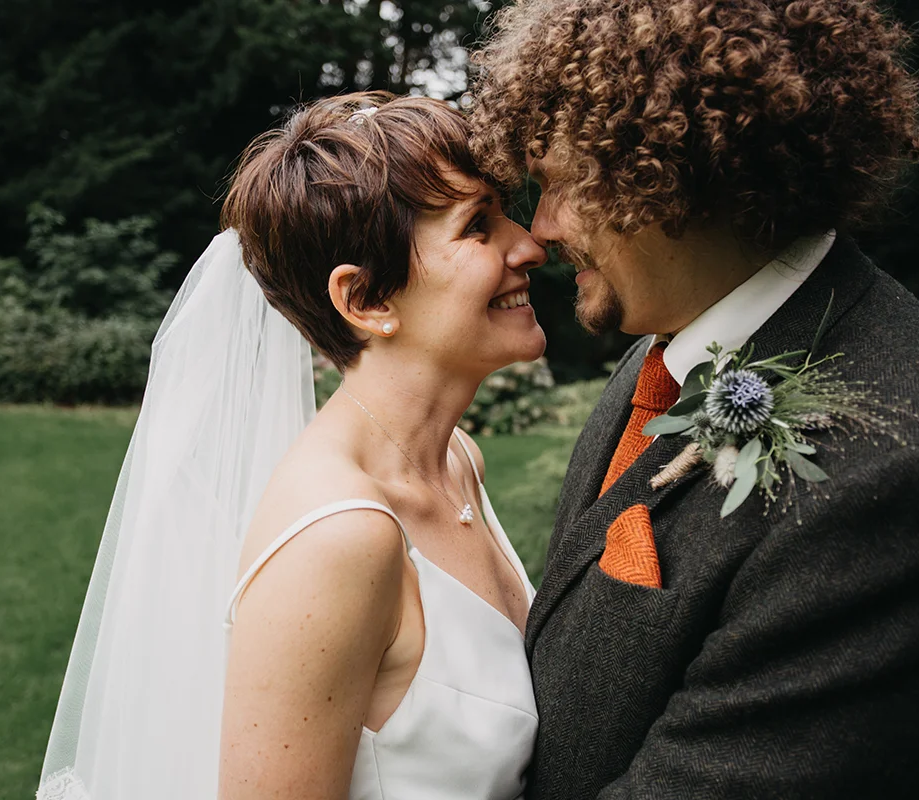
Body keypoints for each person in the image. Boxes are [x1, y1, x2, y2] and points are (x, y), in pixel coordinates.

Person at [469, 0, 919, 797]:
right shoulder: (664, 349)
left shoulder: (905, 485)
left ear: (686, 172)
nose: (541, 231)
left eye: (564, 184)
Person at [36, 92, 546, 799]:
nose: (529, 244)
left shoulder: (456, 459)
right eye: (479, 226)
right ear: (367, 301)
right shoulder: (341, 538)